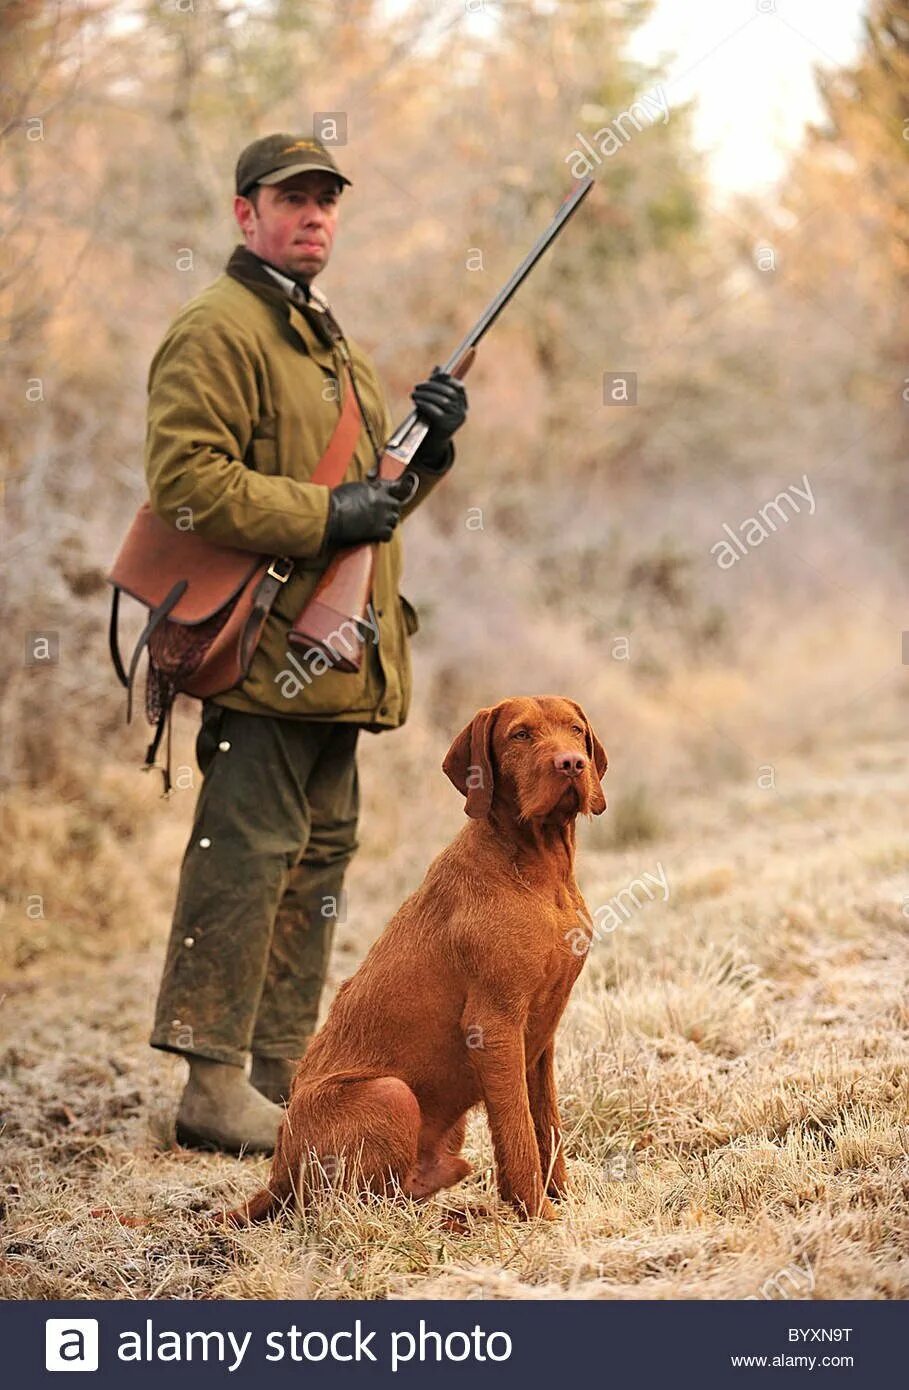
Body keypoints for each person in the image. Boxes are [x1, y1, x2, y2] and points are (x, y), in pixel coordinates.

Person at [145, 132, 467, 1153]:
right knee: (243, 857)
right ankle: (210, 1085)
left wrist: (431, 449)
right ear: (245, 215)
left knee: (317, 859)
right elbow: (188, 485)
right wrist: (333, 513)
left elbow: (374, 505)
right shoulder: (219, 329)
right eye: (292, 199)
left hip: (336, 658)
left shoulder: (330, 343)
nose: (314, 213)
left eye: (326, 198)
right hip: (260, 651)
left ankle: (280, 1070)